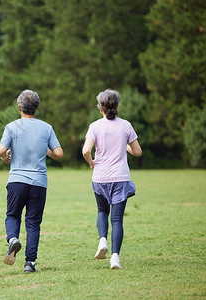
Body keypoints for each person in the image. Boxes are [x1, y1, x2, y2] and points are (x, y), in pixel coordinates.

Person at [0, 89, 63, 273]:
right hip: (39, 183)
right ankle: (30, 263)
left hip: (17, 181)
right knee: (33, 223)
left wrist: (5, 157)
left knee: (12, 215)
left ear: (19, 107)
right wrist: (46, 151)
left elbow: (1, 150)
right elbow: (58, 153)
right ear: (36, 108)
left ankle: (12, 239)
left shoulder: (12, 127)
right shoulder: (46, 127)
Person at [82, 89, 142, 269]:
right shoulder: (126, 125)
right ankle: (115, 257)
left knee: (102, 211)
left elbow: (85, 150)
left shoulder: (95, 126)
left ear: (100, 108)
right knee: (117, 220)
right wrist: (124, 147)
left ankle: (102, 241)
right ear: (117, 106)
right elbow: (137, 152)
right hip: (120, 178)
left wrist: (91, 162)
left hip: (100, 177)